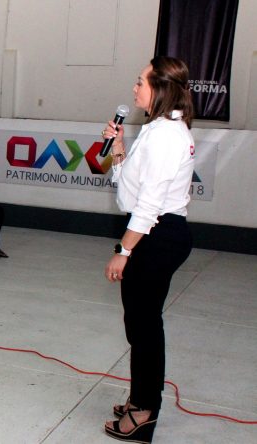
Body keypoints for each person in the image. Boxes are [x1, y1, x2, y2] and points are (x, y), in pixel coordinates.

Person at [100, 57, 196, 444]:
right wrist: (119, 150)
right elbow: (130, 189)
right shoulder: (155, 129)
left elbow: (150, 204)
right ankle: (141, 397)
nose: (135, 88)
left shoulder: (168, 136)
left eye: (140, 81)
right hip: (153, 233)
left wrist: (123, 250)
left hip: (157, 235)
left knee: (145, 327)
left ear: (159, 87)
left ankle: (144, 411)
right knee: (138, 325)